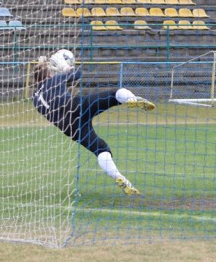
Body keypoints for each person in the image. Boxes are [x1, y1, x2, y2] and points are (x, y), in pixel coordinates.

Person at [32, 50, 154, 196]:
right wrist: (65, 68)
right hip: (75, 108)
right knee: (114, 94)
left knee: (101, 149)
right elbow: (77, 75)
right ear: (48, 75)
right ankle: (131, 99)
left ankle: (119, 177)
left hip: (68, 127)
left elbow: (53, 98)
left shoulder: (35, 98)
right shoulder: (52, 81)